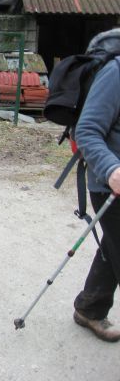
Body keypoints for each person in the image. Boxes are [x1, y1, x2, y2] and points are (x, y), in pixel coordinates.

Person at [72, 29, 120, 342]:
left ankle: (90, 307)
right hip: (111, 183)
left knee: (113, 245)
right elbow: (87, 130)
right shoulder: (116, 73)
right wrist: (112, 168)